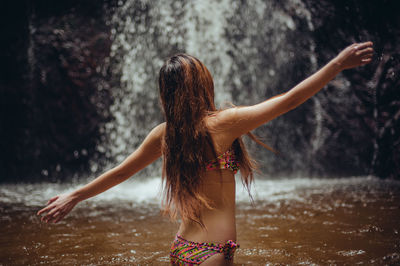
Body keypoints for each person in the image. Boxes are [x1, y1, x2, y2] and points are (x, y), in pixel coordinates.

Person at [37, 42, 373, 265]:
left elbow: (122, 173)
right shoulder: (222, 124)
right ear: (202, 85)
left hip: (182, 248)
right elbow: (288, 100)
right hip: (212, 254)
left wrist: (75, 196)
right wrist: (337, 65)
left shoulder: (164, 134)